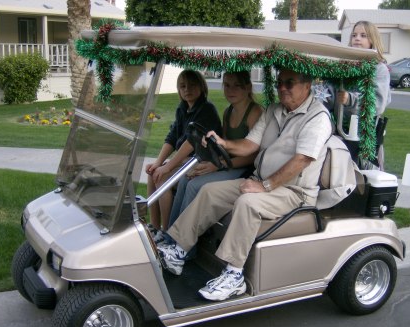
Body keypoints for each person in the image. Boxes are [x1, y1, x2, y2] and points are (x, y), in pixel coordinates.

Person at [157, 68, 333, 302]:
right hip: (263, 182)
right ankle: (178, 250)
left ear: (307, 84)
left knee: (247, 202)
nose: (282, 88)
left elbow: (302, 160)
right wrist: (223, 142)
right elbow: (250, 144)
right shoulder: (274, 110)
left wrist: (266, 186)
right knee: (209, 190)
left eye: (289, 83)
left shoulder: (317, 117)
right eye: (280, 82)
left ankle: (234, 274)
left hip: (294, 192)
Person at [168, 71, 263, 226]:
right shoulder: (228, 112)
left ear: (248, 88)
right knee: (186, 177)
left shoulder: (255, 112)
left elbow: (253, 155)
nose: (230, 90)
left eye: (236, 86)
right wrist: (213, 163)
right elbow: (223, 146)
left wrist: (218, 165)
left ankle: (183, 247)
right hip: (227, 165)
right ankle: (170, 234)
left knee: (194, 186)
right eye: (226, 85)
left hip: (246, 170)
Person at [146, 70, 222, 241]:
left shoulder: (206, 109)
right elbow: (173, 137)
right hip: (187, 160)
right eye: (183, 86)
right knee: (153, 173)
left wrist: (168, 166)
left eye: (192, 85)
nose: (187, 89)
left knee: (163, 177)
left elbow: (191, 142)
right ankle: (155, 226)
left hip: (204, 159)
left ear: (202, 87)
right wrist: (158, 162)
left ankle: (167, 230)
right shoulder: (183, 109)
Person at [333, 20, 391, 170]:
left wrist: (350, 99)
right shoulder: (345, 68)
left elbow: (378, 103)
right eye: (354, 35)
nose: (357, 38)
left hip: (363, 138)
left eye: (363, 35)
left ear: (373, 40)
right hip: (339, 133)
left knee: (361, 179)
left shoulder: (379, 69)